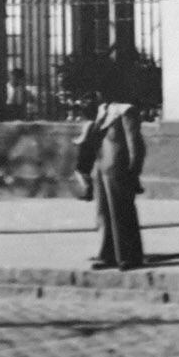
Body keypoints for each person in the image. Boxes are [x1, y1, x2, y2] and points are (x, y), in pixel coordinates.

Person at [73, 70, 147, 270]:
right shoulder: (103, 111)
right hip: (101, 170)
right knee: (104, 213)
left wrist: (134, 171)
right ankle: (107, 255)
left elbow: (135, 146)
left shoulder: (126, 111)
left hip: (119, 170)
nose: (99, 95)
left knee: (121, 212)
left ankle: (128, 257)